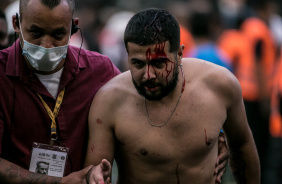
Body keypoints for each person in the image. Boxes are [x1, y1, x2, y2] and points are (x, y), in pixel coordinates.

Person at [85, 8, 260, 184]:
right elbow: (94, 170)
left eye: (159, 63)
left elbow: (242, 145)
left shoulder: (220, 85)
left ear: (179, 54)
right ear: (127, 57)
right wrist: (94, 175)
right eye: (138, 63)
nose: (148, 75)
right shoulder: (109, 101)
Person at [0, 0, 119, 183]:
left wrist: (97, 172)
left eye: (58, 34)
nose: (47, 45)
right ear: (17, 24)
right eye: (36, 33)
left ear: (73, 28)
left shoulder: (100, 71)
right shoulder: (1, 75)